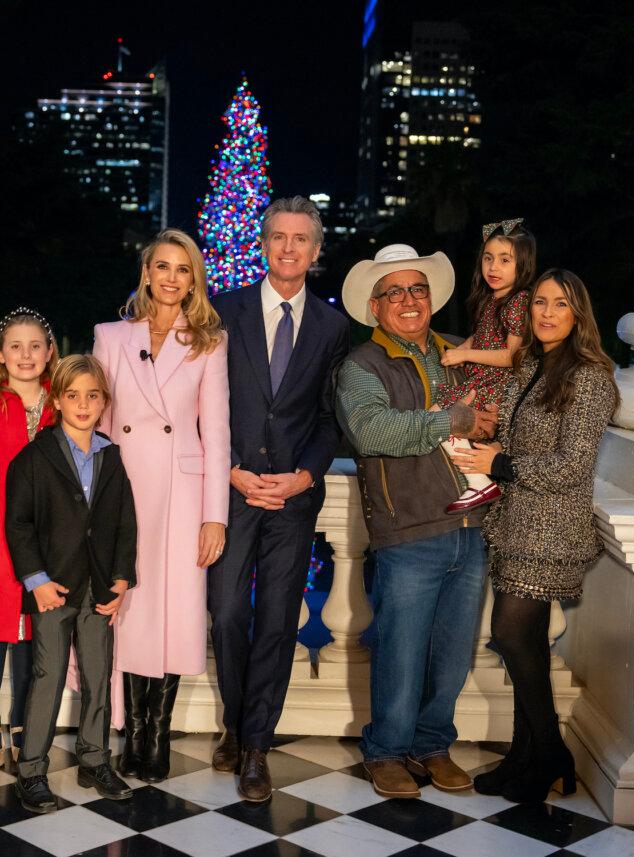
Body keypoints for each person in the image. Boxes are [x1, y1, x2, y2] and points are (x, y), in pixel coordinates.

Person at [335, 243, 498, 800]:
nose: (408, 299)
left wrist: (488, 428)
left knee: (453, 652)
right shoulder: (362, 366)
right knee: (401, 651)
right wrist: (455, 418)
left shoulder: (459, 351)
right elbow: (374, 431)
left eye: (417, 289)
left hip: (471, 529)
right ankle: (386, 752)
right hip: (407, 530)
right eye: (394, 292)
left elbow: (495, 416)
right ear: (376, 307)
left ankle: (432, 744)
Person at [450, 269, 618, 803]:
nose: (546, 313)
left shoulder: (590, 376)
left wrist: (498, 462)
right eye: (540, 302)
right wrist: (484, 434)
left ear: (578, 314)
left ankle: (548, 751)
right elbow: (519, 437)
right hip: (516, 522)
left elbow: (571, 465)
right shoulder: (530, 365)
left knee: (513, 635)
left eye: (560, 304)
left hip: (550, 528)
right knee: (524, 647)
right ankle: (527, 755)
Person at [207, 196, 350, 802]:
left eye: (302, 239)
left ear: (316, 253)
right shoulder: (221, 311)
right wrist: (232, 472)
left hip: (292, 498)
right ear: (263, 245)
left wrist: (304, 476)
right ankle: (236, 723)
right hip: (233, 490)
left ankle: (255, 746)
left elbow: (330, 419)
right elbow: (202, 401)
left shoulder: (333, 326)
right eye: (279, 237)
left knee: (276, 621)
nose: (289, 248)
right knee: (228, 613)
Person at [93, 229, 230, 783]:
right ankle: (132, 731)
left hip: (181, 492)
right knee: (130, 608)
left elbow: (216, 432)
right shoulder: (110, 336)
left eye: (184, 270)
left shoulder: (208, 342)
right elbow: (97, 423)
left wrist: (214, 515)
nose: (172, 278)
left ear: (193, 280)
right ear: (146, 272)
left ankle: (158, 732)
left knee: (172, 611)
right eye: (163, 267)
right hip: (125, 489)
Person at [6, 355, 138, 813]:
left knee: (99, 674)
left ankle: (94, 760)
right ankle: (32, 769)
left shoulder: (111, 455)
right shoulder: (34, 457)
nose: (83, 404)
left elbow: (125, 522)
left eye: (92, 395)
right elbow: (18, 524)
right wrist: (36, 580)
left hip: (99, 588)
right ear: (58, 400)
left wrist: (122, 578)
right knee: (48, 675)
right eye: (73, 395)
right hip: (52, 588)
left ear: (104, 402)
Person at [0, 308, 58, 767]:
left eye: (35, 345)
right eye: (15, 346)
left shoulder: (61, 406)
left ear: (50, 352)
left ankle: (22, 718)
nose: (25, 355)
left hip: (43, 534)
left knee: (29, 629)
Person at [436, 219, 536, 512]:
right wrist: (462, 348)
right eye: (488, 258)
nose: (494, 267)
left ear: (523, 265)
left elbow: (510, 356)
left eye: (505, 260)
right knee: (437, 418)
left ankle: (479, 482)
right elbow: (482, 336)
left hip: (496, 385)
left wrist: (464, 356)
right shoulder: (491, 300)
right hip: (480, 381)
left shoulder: (519, 301)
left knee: (440, 418)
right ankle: (479, 481)